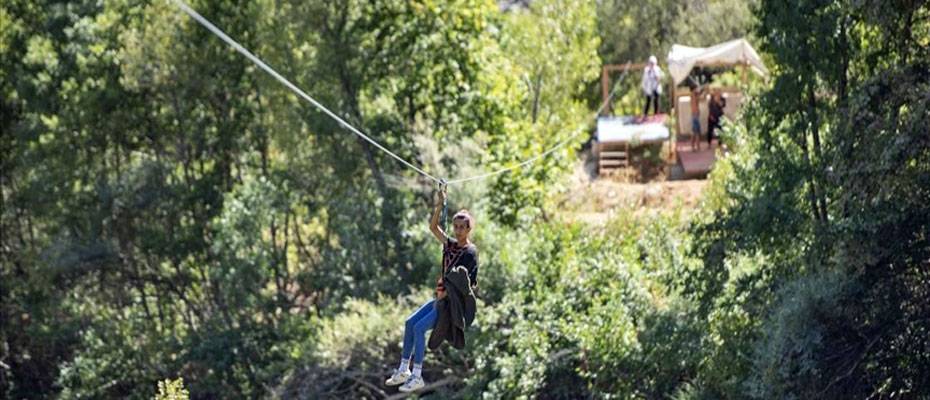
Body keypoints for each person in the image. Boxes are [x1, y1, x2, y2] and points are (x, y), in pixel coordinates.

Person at [385, 187, 479, 393]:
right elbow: (434, 227)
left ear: (469, 229)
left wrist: (450, 291)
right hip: (439, 298)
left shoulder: (470, 252)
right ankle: (403, 370)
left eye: (461, 227)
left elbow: (468, 283)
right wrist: (440, 204)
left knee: (419, 329)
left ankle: (417, 375)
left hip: (450, 304)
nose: (457, 230)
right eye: (455, 227)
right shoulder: (451, 245)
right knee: (410, 323)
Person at [690, 86, 703, 151]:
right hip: (695, 116)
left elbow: (701, 98)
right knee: (695, 132)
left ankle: (697, 147)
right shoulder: (693, 96)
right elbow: (699, 97)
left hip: (696, 116)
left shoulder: (694, 96)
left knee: (696, 132)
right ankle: (694, 147)